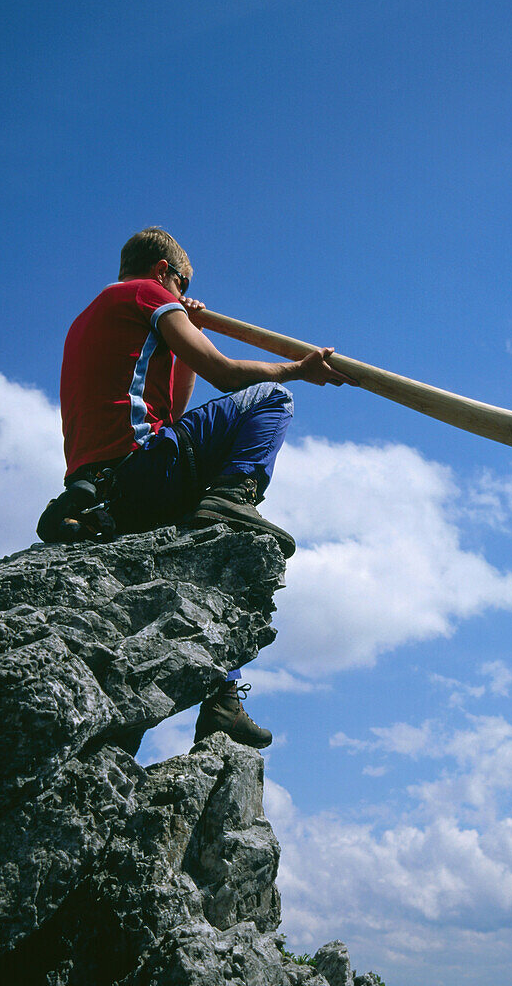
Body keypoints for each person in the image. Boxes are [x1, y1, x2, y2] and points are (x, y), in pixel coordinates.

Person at [38, 227, 352, 750]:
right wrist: (298, 369)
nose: (180, 295)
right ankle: (233, 495)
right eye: (181, 284)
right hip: (138, 472)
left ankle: (223, 697)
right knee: (271, 398)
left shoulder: (95, 314)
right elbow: (228, 376)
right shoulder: (148, 294)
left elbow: (173, 416)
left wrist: (180, 334)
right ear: (165, 272)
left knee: (200, 573)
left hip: (103, 491)